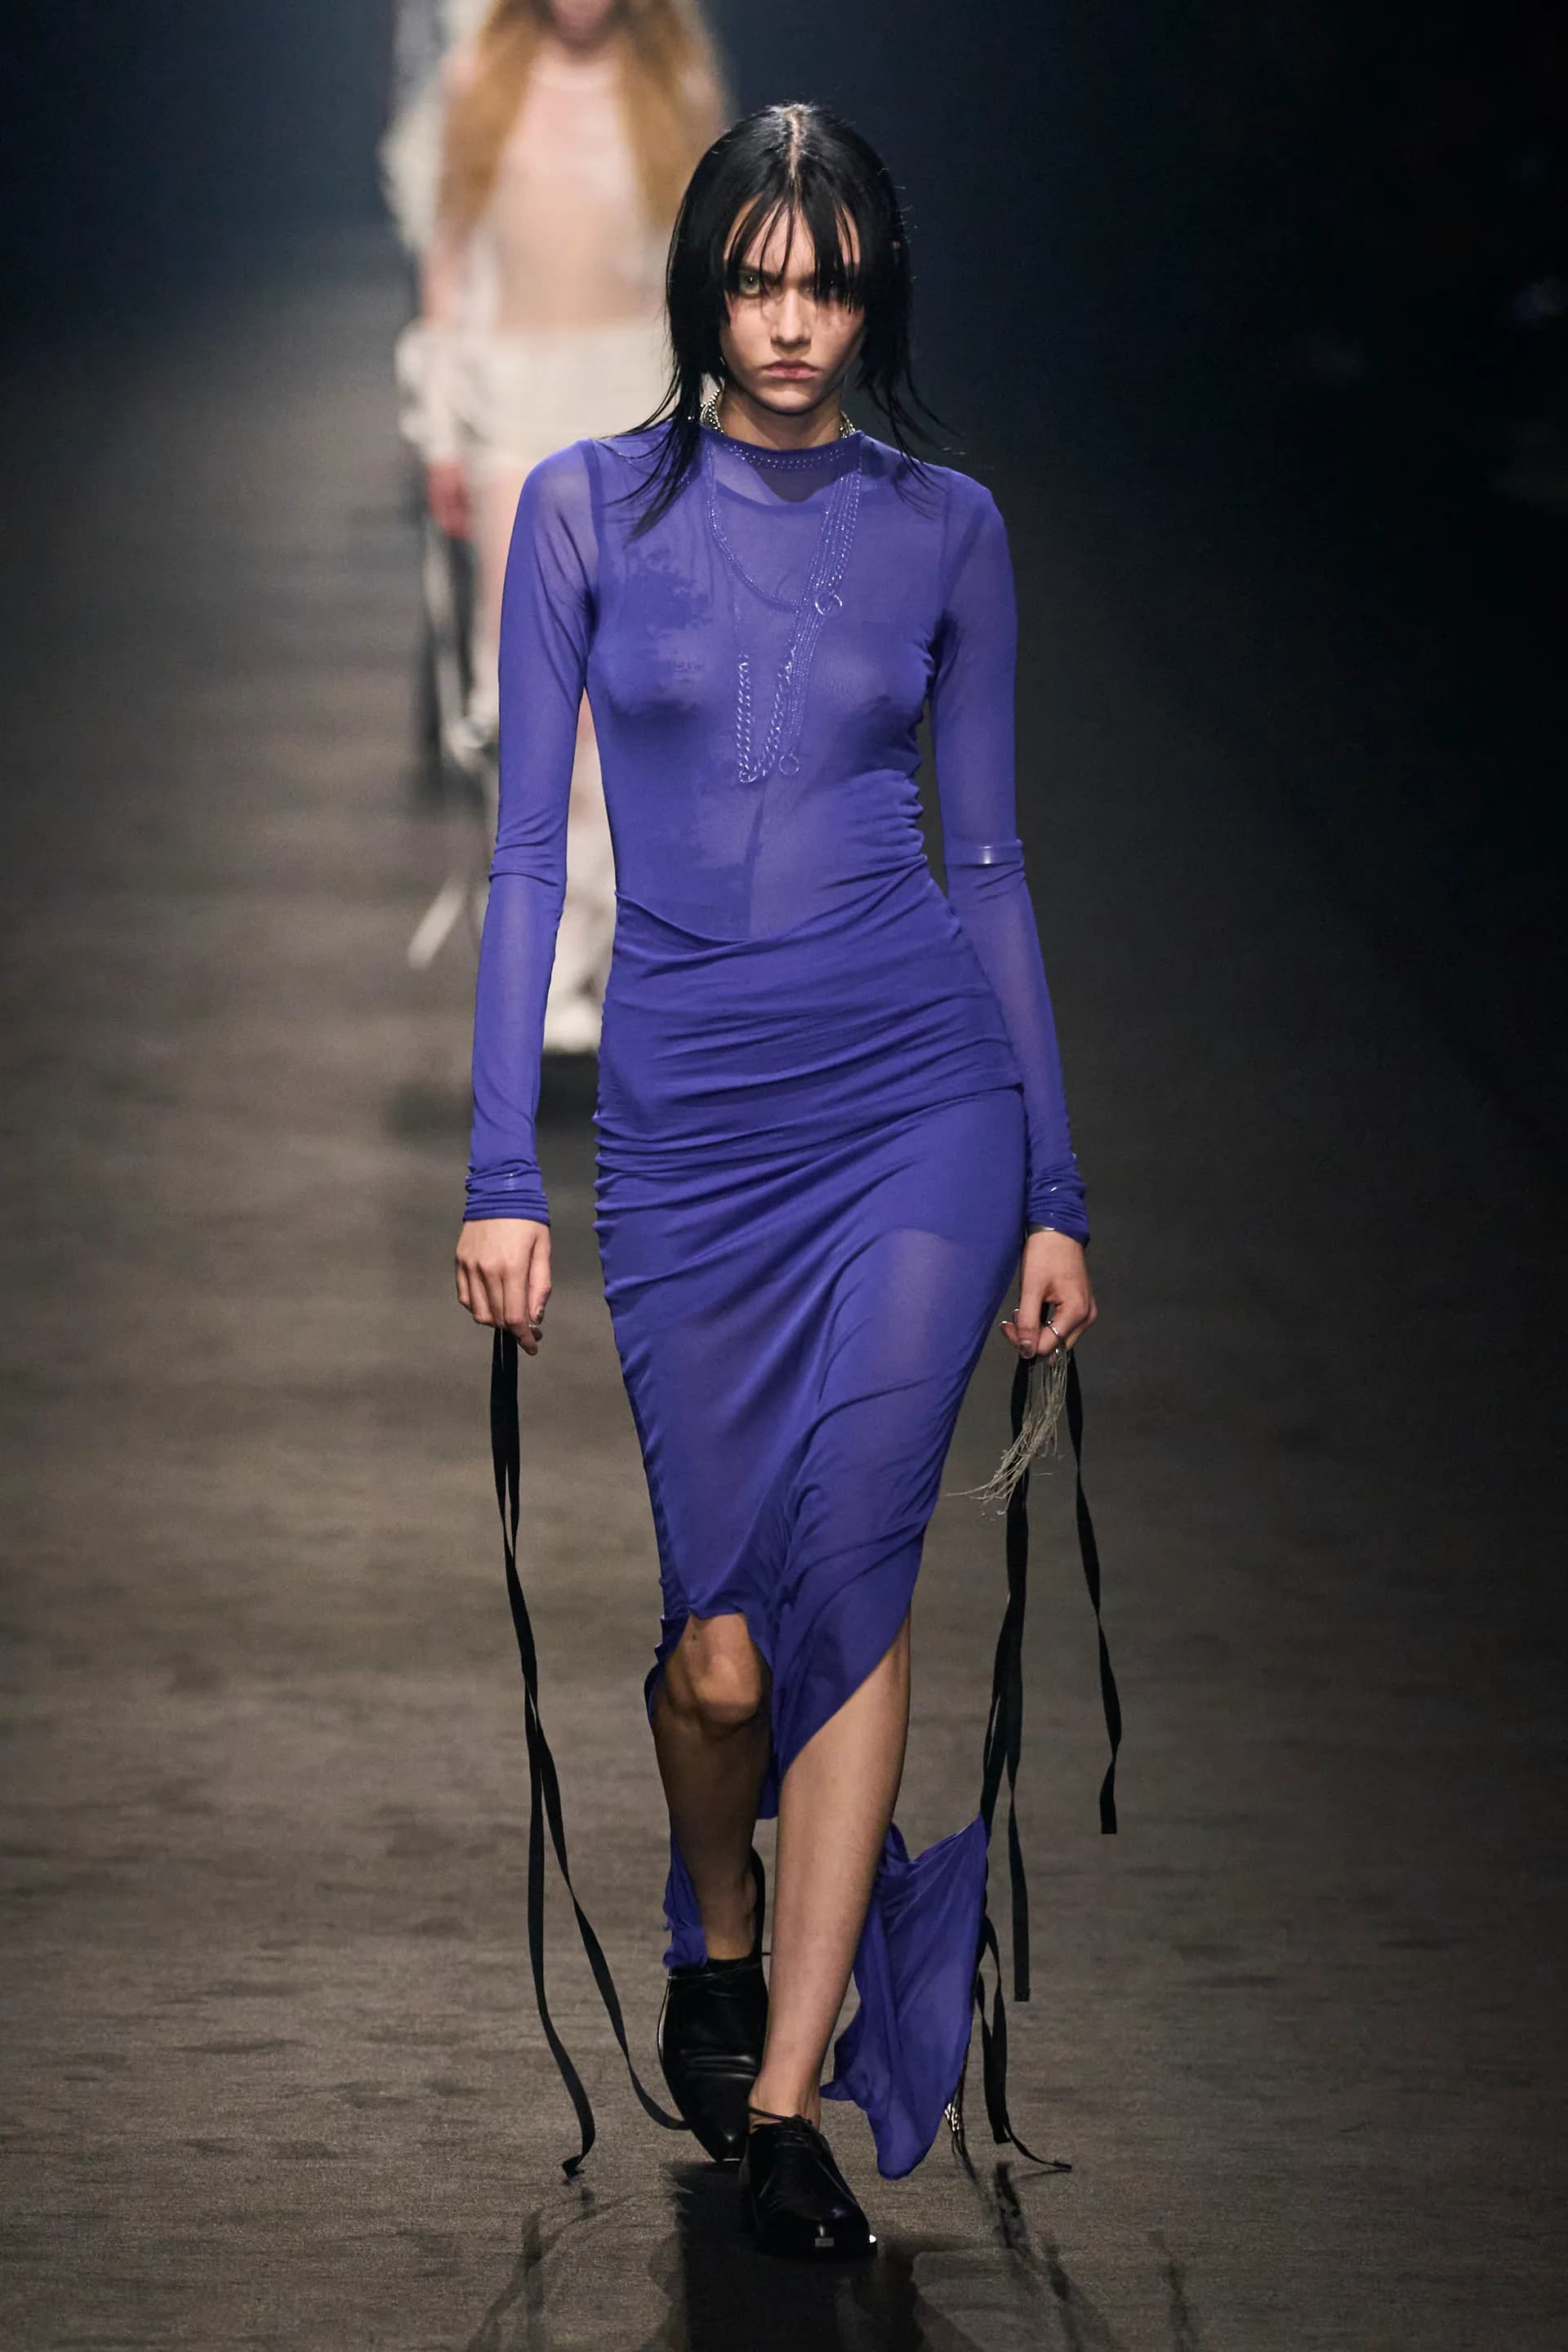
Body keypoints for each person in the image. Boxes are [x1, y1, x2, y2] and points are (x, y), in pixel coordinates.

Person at [456, 102, 1099, 2256]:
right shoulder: (585, 511)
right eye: (757, 280)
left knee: (859, 1571)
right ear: (704, 289)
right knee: (720, 1662)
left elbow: (989, 864)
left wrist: (1054, 1187)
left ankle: (794, 2096)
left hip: (919, 1100)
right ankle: (713, 1928)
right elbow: (528, 854)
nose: (794, 322)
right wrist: (500, 1166)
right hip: (688, 1129)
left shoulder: (950, 529)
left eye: (828, 284)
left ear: (874, 294)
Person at [411, 0, 725, 1046]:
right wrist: (441, 426)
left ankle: (606, 947)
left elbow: (705, 270)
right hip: (515, 412)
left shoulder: (676, 86)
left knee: (631, 689)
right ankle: (546, 958)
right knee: (541, 689)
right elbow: (451, 256)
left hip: (638, 404)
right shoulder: (479, 82)